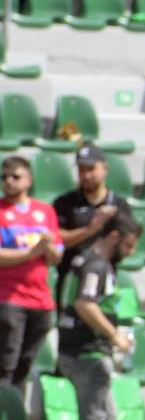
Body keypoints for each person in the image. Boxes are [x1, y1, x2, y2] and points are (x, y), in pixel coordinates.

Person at [54, 210, 138, 420]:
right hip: (86, 353)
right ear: (114, 236)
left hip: (83, 352)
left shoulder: (85, 260)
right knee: (94, 419)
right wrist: (114, 336)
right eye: (128, 245)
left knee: (109, 417)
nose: (130, 252)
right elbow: (85, 304)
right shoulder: (95, 266)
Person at [0, 155, 61, 389]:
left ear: (29, 180)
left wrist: (48, 248)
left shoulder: (45, 212)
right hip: (9, 297)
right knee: (7, 361)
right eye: (4, 177)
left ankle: (14, 412)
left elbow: (56, 257)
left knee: (26, 363)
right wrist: (32, 253)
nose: (9, 181)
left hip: (40, 299)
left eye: (15, 176)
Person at [52, 146, 131, 291]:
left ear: (105, 169)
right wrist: (90, 229)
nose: (86, 175)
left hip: (105, 277)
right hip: (71, 276)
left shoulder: (119, 204)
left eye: (91, 169)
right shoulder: (65, 202)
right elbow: (57, 239)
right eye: (81, 170)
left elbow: (128, 246)